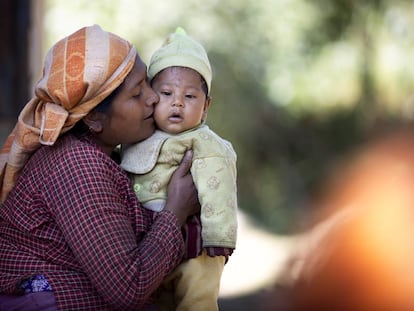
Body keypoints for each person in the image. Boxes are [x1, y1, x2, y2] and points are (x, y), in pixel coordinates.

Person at [0, 24, 200, 311]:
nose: (153, 98)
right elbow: (129, 289)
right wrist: (176, 211)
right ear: (93, 117)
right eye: (136, 94)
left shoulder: (100, 156)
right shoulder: (77, 165)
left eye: (147, 83)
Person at [120, 27, 238, 311]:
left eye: (190, 97)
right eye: (167, 93)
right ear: (150, 97)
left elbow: (219, 189)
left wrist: (218, 240)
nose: (177, 102)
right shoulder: (138, 135)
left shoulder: (207, 144)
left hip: (195, 246)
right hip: (149, 244)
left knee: (196, 296)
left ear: (206, 107)